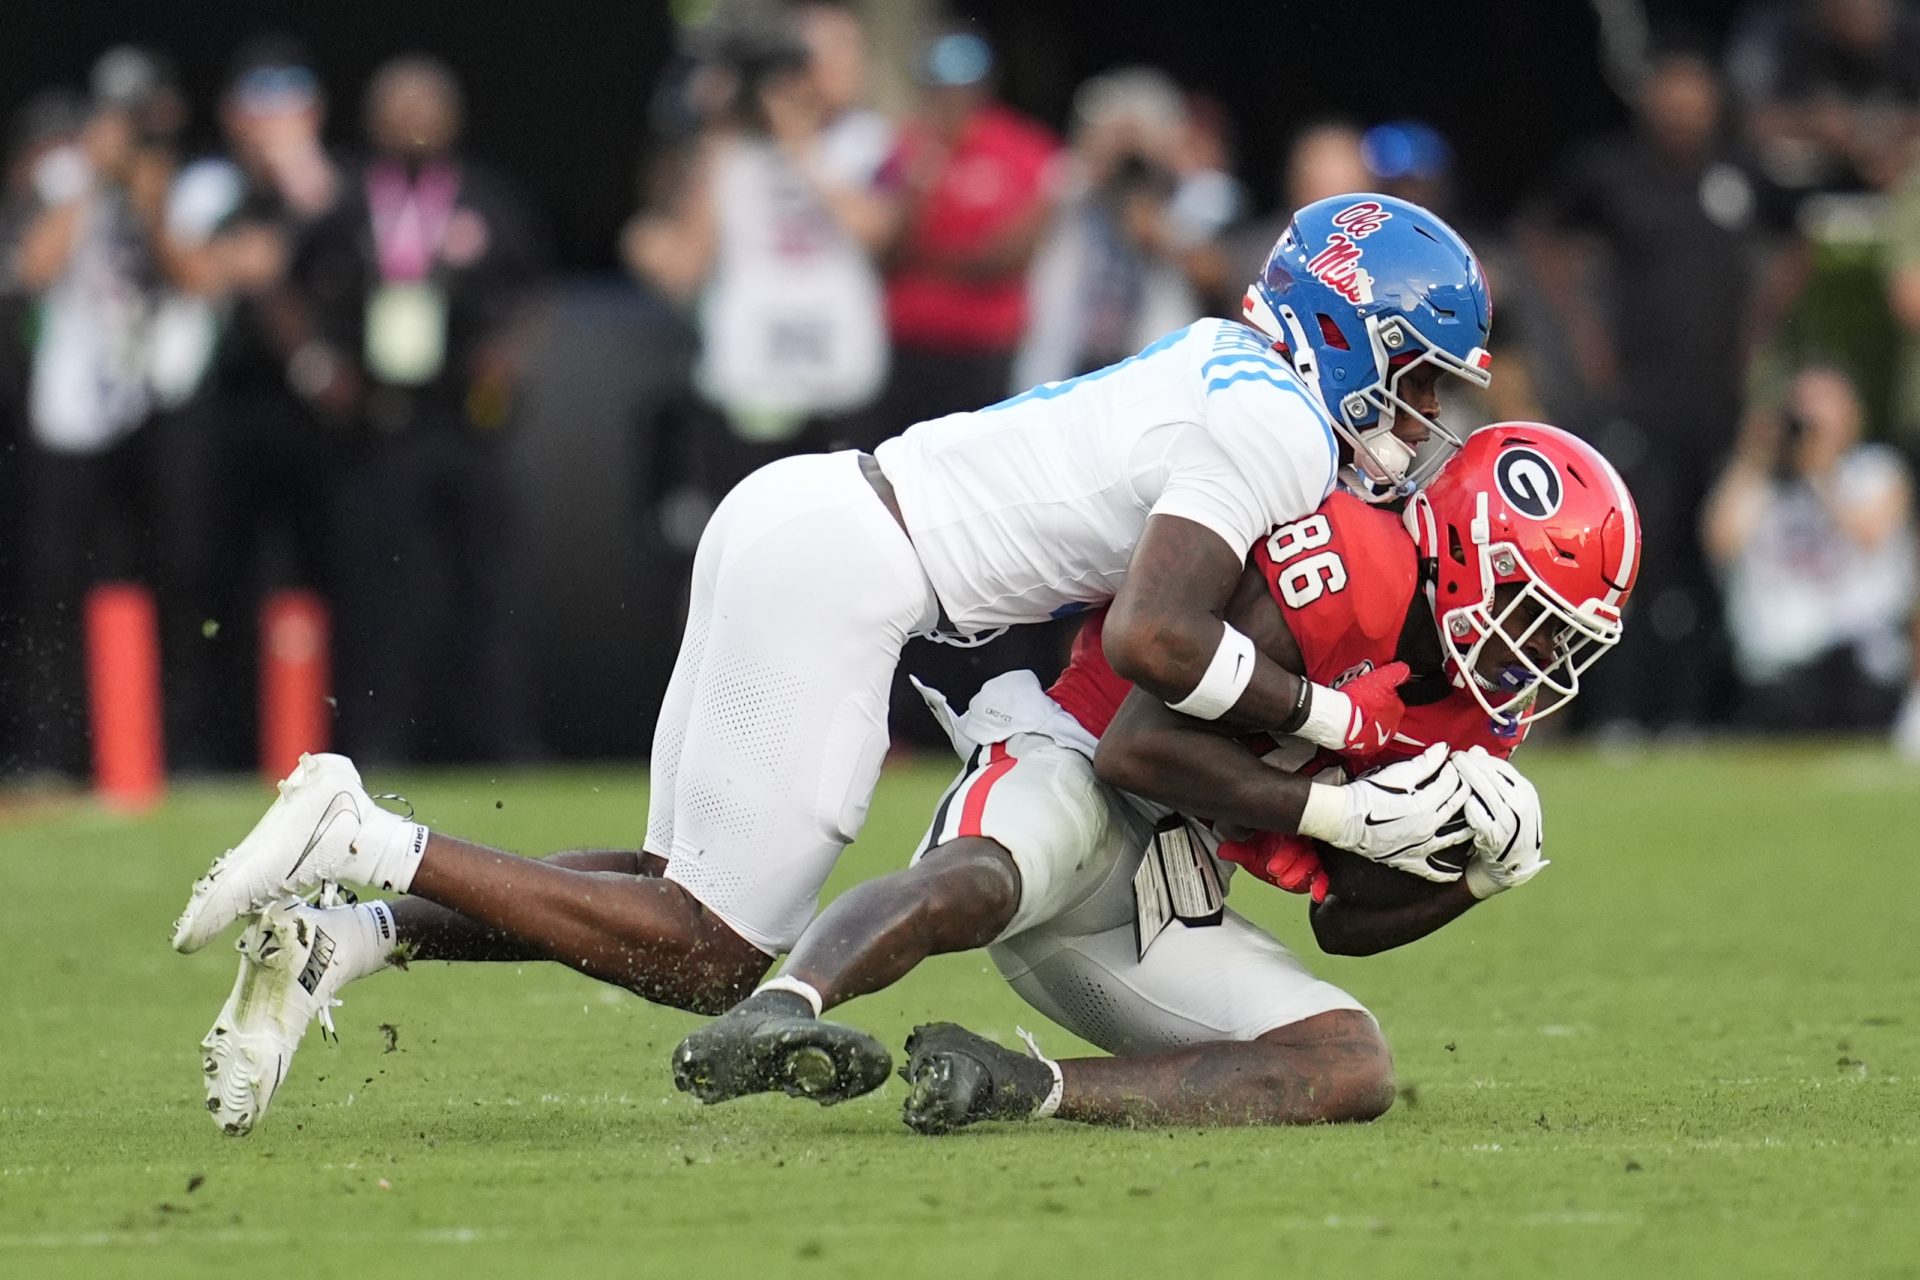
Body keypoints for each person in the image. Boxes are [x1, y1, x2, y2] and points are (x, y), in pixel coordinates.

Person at [172, 193, 1494, 1136]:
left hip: (815, 515)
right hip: (859, 566)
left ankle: (346, 937)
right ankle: (363, 835)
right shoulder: (1272, 424)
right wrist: (1336, 731)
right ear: (1347, 330)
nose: (1426, 416)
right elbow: (1157, 638)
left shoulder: (1231, 365)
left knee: (664, 895)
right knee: (709, 952)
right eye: (1420, 379)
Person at [671, 423, 1640, 1127]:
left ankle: (1018, 1087)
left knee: (1350, 1063)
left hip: (1170, 875)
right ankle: (783, 1008)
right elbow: (1139, 743)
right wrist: (1341, 810)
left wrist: (1470, 877)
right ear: (1470, 551)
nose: (1542, 650)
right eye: (1538, 610)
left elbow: (1343, 919)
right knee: (988, 874)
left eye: (1565, 633)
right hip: (1073, 758)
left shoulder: (1477, 706)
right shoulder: (1354, 563)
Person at [292, 55, 548, 764]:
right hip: (377, 424)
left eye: (425, 106)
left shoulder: (485, 199)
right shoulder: (344, 203)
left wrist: (506, 355)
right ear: (372, 118)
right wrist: (315, 364)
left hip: (465, 420)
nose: (412, 122)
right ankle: (373, 745)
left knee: (485, 586)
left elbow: (533, 293)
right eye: (397, 106)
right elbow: (292, 287)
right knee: (378, 590)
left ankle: (499, 741)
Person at [624, 1, 897, 520]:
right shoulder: (727, 149)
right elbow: (685, 262)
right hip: (751, 375)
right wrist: (711, 132)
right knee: (745, 528)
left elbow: (874, 233)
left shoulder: (867, 142)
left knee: (843, 534)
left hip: (839, 372)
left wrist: (800, 145)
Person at [1702, 364, 1914, 730]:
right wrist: (1756, 454)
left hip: (1859, 668)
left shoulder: (1875, 472)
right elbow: (1720, 541)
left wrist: (1821, 469)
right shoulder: (1761, 481)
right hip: (1779, 673)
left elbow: (1870, 534)